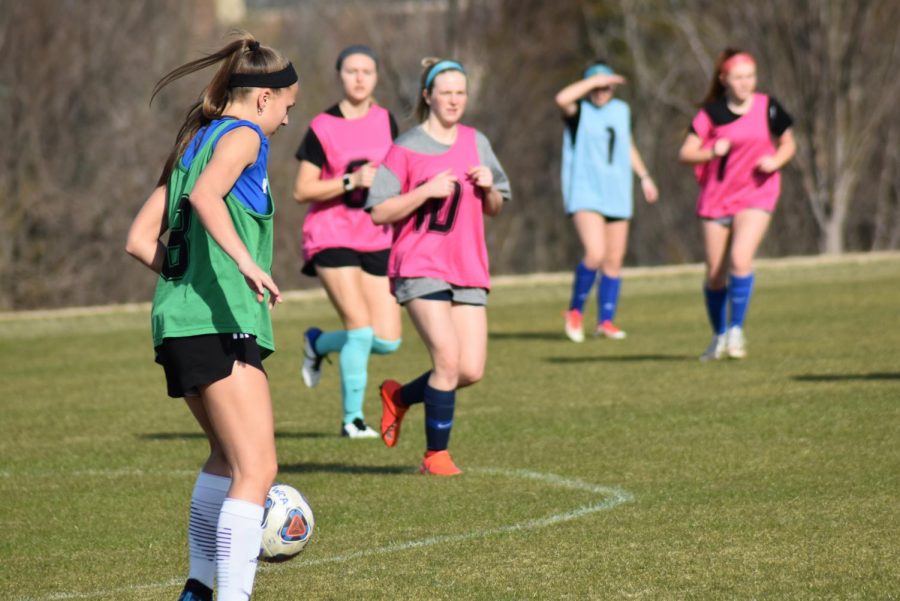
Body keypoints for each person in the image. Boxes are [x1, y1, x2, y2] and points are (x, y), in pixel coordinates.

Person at [125, 34, 299, 601]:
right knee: (258, 469)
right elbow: (206, 198)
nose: (286, 123)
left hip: (177, 322)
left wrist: (187, 282)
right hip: (217, 322)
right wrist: (244, 263)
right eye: (289, 109)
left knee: (227, 458)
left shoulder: (194, 140)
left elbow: (137, 240)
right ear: (263, 99)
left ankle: (199, 588)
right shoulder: (244, 135)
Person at [365, 58, 511, 476]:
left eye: (460, 93)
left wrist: (489, 188)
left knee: (469, 369)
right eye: (446, 92)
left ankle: (400, 397)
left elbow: (497, 205)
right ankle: (435, 456)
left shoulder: (476, 141)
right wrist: (424, 191)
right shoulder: (406, 146)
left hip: (467, 266)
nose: (454, 100)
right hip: (420, 264)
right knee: (447, 360)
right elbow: (379, 211)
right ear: (427, 96)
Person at [293, 45, 402, 439]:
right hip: (331, 234)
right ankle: (352, 420)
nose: (359, 78)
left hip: (375, 234)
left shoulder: (387, 121)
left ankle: (319, 343)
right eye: (352, 70)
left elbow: (397, 174)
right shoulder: (323, 127)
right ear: (340, 74)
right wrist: (348, 182)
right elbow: (301, 189)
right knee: (359, 328)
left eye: (367, 71)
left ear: (376, 77)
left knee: (387, 340)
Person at [678, 48, 795, 361]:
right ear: (724, 79)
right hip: (716, 198)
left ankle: (736, 332)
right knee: (715, 274)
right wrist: (712, 150)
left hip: (757, 193)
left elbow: (788, 143)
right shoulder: (710, 114)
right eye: (739, 77)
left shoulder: (767, 106)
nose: (746, 83)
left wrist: (775, 160)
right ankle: (718, 335)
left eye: (750, 76)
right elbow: (686, 153)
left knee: (740, 261)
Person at [557, 60, 659, 343]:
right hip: (586, 191)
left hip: (617, 192)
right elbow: (562, 98)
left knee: (613, 261)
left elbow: (627, 145)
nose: (602, 93)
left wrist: (644, 176)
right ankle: (575, 312)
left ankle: (605, 321)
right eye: (596, 87)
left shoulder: (621, 111)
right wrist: (594, 80)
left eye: (606, 87)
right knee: (595, 253)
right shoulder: (579, 112)